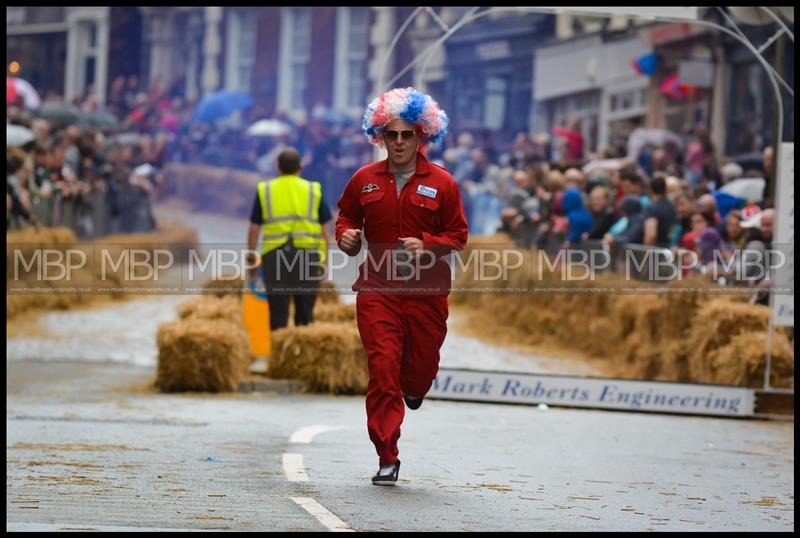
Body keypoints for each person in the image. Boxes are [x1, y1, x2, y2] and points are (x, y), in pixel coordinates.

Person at [335, 87, 468, 486]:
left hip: (427, 296)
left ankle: (416, 387)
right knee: (382, 368)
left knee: (418, 371)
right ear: (379, 135)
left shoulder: (443, 183)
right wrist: (346, 237)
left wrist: (428, 245)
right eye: (390, 134)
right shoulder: (364, 179)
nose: (398, 142)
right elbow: (344, 218)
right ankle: (387, 455)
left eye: (406, 135)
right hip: (377, 290)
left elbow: (458, 235)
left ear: (421, 136)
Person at [247, 148, 331, 330]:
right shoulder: (314, 190)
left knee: (278, 315)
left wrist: (252, 261)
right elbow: (325, 233)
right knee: (306, 317)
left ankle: (278, 355)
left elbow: (254, 230)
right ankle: (303, 357)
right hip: (307, 258)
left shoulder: (265, 190)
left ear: (277, 167)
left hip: (274, 258)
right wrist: (324, 263)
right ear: (301, 167)